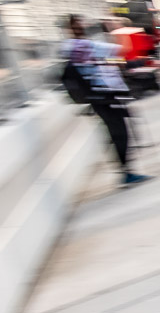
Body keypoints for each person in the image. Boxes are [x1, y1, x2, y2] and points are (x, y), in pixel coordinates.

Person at [61, 14, 150, 187]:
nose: (84, 26)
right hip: (105, 95)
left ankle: (125, 171)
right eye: (80, 24)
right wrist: (116, 29)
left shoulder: (71, 48)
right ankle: (126, 173)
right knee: (120, 133)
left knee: (116, 132)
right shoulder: (84, 45)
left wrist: (133, 64)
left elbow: (105, 61)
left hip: (98, 97)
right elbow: (121, 51)